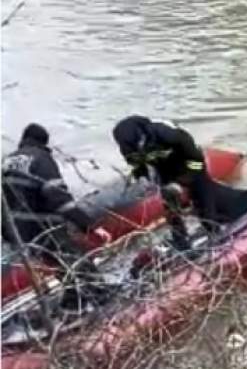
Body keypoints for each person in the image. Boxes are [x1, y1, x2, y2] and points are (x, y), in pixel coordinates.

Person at [2, 123, 108, 304]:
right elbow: (59, 199)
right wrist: (90, 226)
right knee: (74, 258)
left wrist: (7, 234)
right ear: (43, 142)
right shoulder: (41, 158)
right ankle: (102, 297)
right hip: (42, 224)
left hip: (17, 229)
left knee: (57, 261)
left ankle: (72, 301)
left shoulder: (7, 162)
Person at [112, 115, 218, 251]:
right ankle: (180, 239)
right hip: (163, 167)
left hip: (187, 160)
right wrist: (142, 178)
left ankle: (213, 228)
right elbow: (138, 166)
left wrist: (183, 180)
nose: (137, 149)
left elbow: (196, 159)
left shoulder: (167, 134)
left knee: (202, 190)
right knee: (168, 201)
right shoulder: (128, 149)